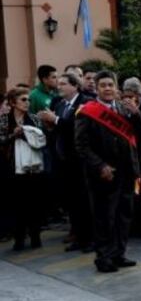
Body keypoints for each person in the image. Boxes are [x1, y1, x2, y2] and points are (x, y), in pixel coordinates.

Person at [75, 71, 141, 273]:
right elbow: (81, 146)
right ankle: (103, 257)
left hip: (127, 171)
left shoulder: (124, 109)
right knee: (105, 217)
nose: (107, 88)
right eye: (103, 85)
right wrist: (100, 166)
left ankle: (118, 254)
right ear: (96, 89)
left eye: (110, 85)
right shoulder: (88, 111)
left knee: (124, 215)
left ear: (117, 89)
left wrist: (137, 114)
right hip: (104, 174)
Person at [0, 87, 46, 250]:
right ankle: (19, 238)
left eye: (29, 99)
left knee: (34, 203)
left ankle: (35, 236)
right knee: (16, 204)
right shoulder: (4, 119)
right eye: (23, 100)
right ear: (13, 103)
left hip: (33, 168)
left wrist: (27, 135)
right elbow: (1, 140)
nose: (28, 103)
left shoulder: (33, 119)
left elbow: (42, 139)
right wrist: (13, 134)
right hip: (12, 169)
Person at [50, 73, 92, 252]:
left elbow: (77, 126)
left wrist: (56, 120)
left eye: (63, 84)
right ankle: (79, 237)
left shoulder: (86, 102)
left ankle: (91, 239)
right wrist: (50, 123)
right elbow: (59, 129)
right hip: (64, 160)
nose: (59, 86)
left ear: (75, 86)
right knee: (72, 202)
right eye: (58, 83)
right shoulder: (59, 104)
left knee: (85, 201)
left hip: (81, 160)